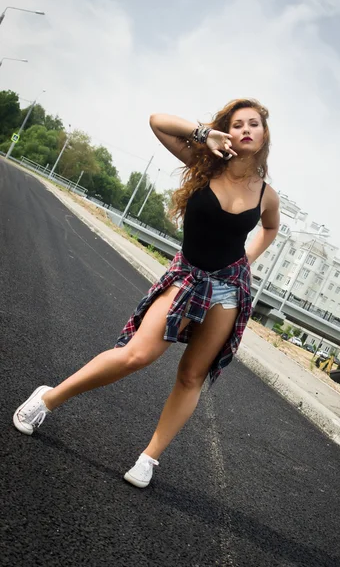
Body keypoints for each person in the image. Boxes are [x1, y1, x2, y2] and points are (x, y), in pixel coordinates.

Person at [13, 98, 280, 488]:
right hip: (187, 278)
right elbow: (158, 121)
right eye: (237, 124)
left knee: (191, 376)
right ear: (228, 130)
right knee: (136, 355)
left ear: (264, 134)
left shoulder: (266, 196)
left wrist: (247, 260)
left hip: (228, 291)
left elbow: (270, 229)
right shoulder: (204, 163)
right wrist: (206, 134)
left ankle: (148, 458)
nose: (245, 130)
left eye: (253, 124)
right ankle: (47, 399)